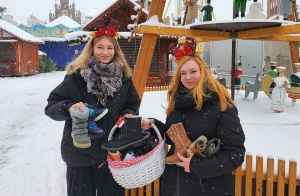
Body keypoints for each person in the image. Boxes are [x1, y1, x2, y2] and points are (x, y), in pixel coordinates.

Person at [45, 19, 141, 196]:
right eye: (100, 47)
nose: (105, 52)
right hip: (80, 154)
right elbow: (51, 106)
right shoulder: (77, 75)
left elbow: (132, 105)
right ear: (92, 49)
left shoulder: (124, 78)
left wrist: (128, 115)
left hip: (112, 153)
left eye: (110, 47)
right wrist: (69, 108)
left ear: (115, 50)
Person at [142, 36, 245, 195]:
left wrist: (197, 165)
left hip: (206, 189)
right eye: (183, 73)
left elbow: (235, 154)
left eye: (193, 71)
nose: (188, 77)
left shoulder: (221, 105)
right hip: (173, 186)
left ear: (203, 72)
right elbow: (176, 137)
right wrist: (154, 126)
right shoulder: (178, 103)